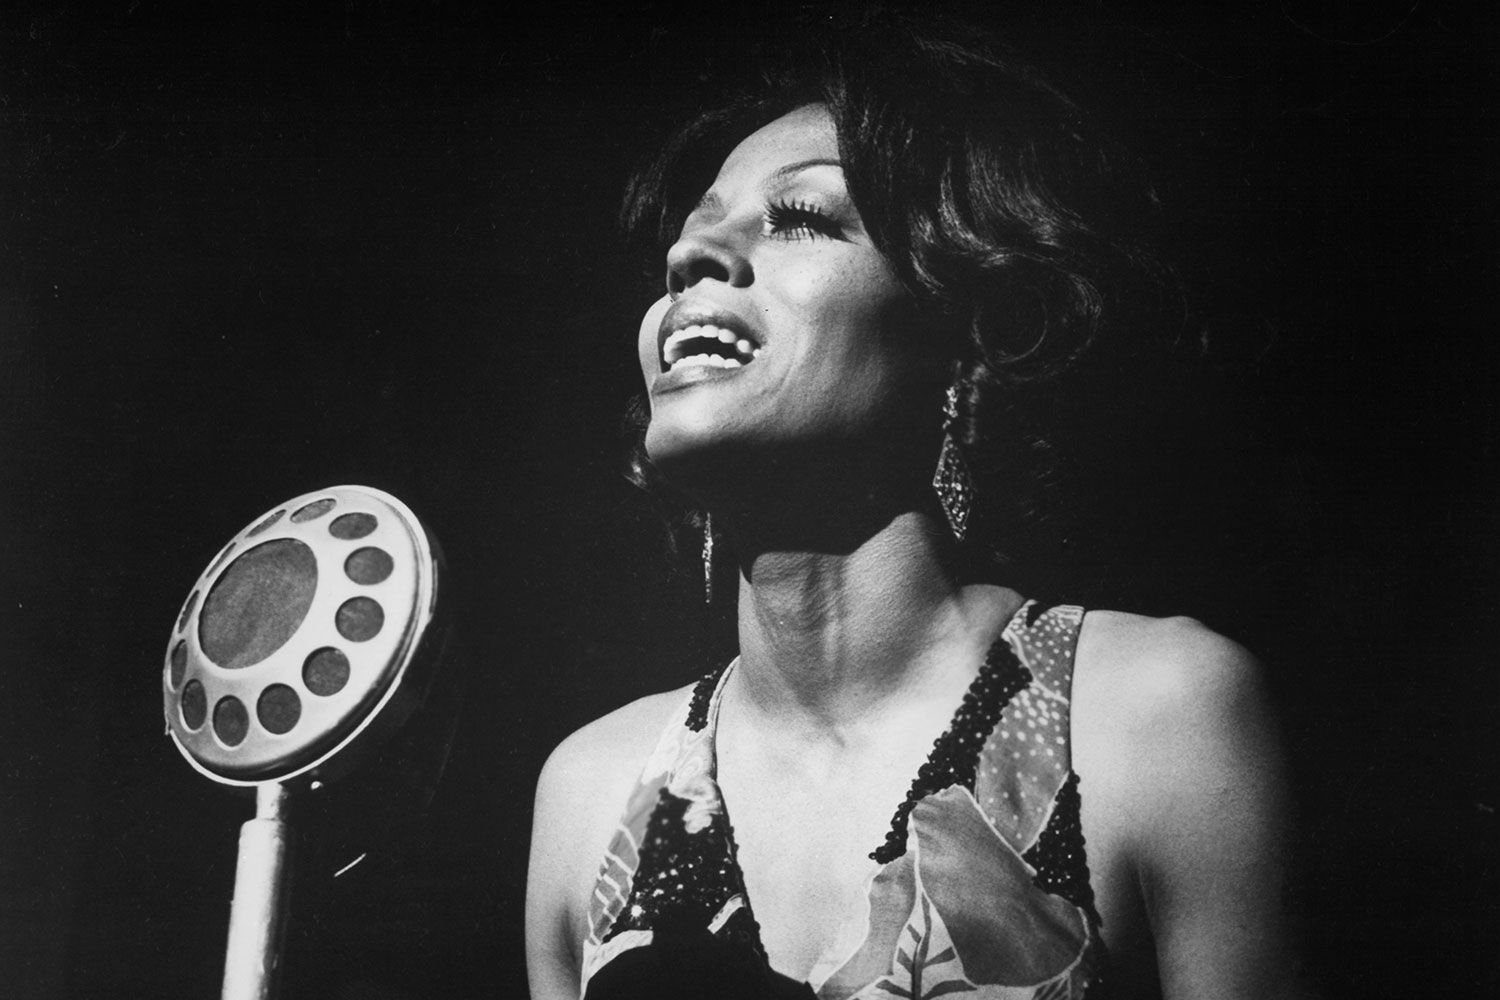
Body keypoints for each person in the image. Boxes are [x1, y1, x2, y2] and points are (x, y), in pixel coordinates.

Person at [526, 16, 1300, 1000]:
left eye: (803, 216)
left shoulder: (1155, 716)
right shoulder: (589, 795)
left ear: (962, 331)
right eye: (691, 235)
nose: (692, 259)